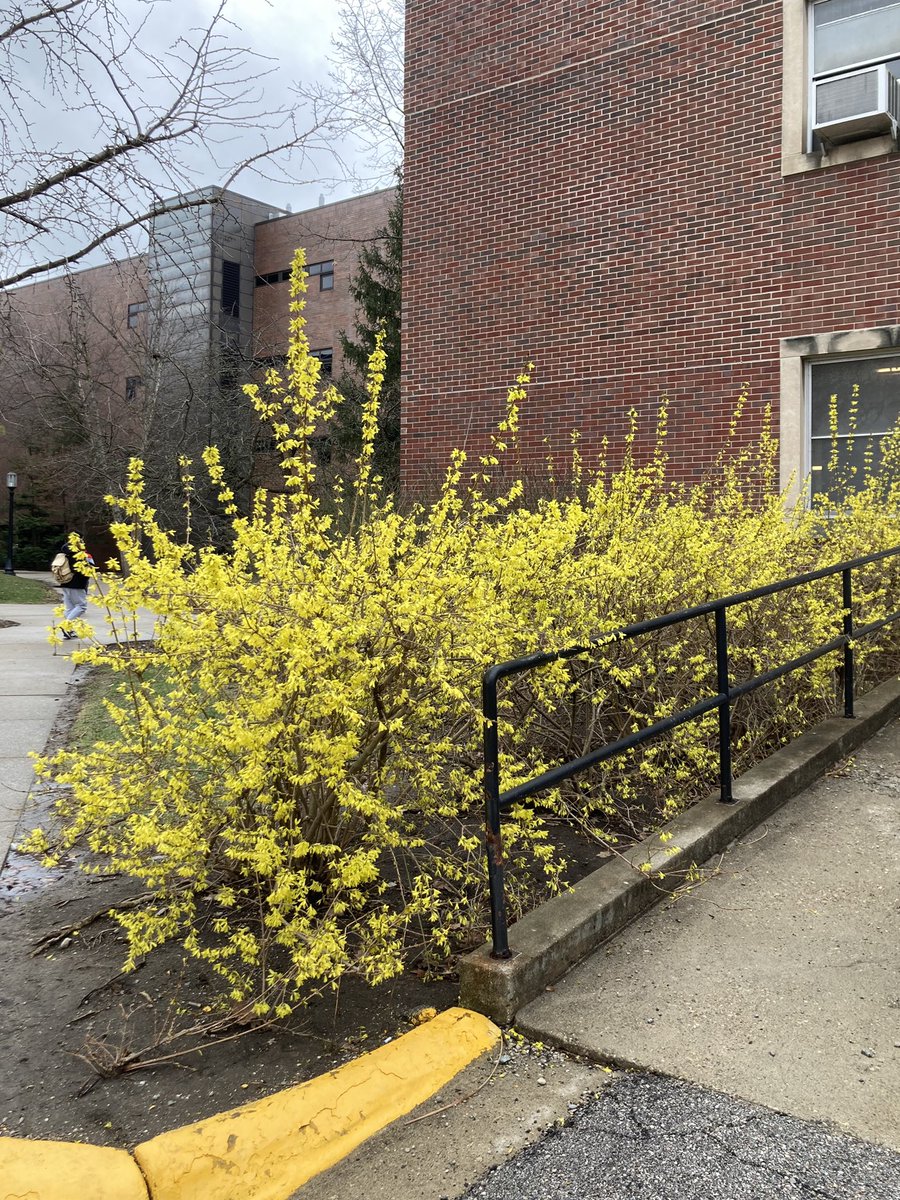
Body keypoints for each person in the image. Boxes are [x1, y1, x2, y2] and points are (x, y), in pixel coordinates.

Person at [56, 534, 93, 639]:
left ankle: (69, 630)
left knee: (70, 607)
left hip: (65, 582)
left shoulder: (66, 555)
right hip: (78, 584)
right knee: (81, 606)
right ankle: (67, 625)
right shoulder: (84, 556)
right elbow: (91, 568)